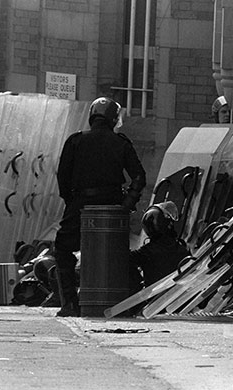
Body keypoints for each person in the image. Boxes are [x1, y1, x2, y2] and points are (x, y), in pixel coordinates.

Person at [54, 97, 147, 317]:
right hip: (112, 205)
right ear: (113, 118)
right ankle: (122, 299)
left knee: (63, 249)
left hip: (80, 204)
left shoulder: (75, 141)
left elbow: (62, 177)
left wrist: (72, 201)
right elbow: (139, 176)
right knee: (115, 252)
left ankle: (69, 303)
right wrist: (126, 205)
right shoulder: (121, 143)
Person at [129, 201, 190, 295]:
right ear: (168, 224)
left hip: (154, 301)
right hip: (177, 299)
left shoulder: (146, 252)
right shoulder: (181, 249)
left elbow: (124, 261)